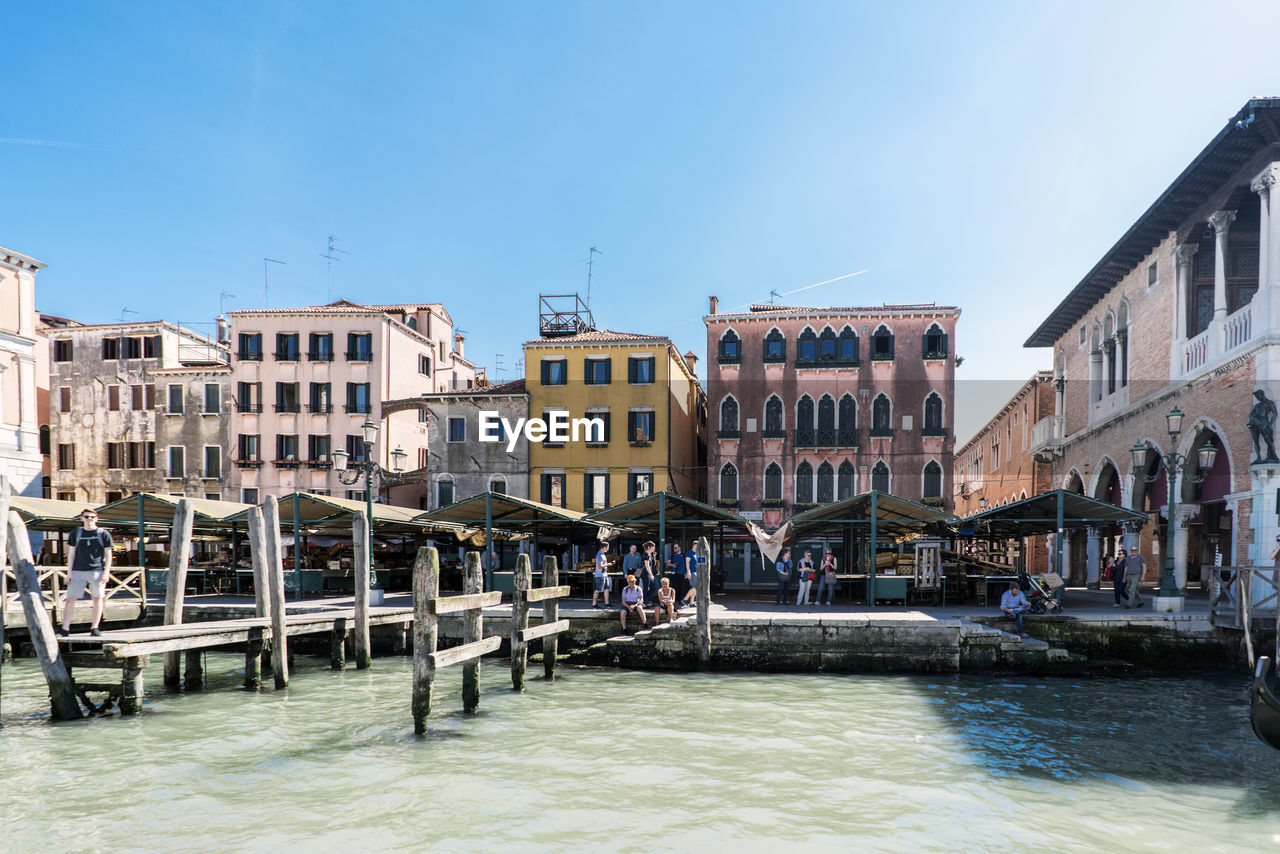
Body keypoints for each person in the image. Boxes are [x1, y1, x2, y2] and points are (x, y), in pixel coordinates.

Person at [59, 509, 114, 638]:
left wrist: (106, 572)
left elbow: (108, 555)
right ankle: (65, 629)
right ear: (81, 518)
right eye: (87, 517)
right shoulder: (75, 533)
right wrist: (69, 573)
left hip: (97, 571)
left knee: (97, 598)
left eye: (92, 517)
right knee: (70, 599)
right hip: (78, 570)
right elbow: (71, 554)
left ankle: (95, 627)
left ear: (96, 518)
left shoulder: (103, 534)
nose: (89, 519)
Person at [638, 540, 659, 607]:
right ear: (649, 547)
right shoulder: (645, 554)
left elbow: (654, 564)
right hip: (646, 574)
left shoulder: (650, 555)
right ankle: (644, 602)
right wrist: (650, 574)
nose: (654, 548)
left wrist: (654, 557)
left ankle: (647, 600)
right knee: (646, 588)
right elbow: (647, 565)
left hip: (650, 574)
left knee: (655, 587)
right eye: (653, 547)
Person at [591, 541, 611, 608]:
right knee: (598, 590)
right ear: (604, 547)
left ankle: (607, 603)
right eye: (607, 547)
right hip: (600, 575)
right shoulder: (599, 555)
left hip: (604, 575)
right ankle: (594, 604)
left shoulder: (603, 555)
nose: (608, 549)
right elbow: (599, 566)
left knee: (606, 589)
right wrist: (608, 564)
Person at [682, 542, 699, 609]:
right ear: (693, 545)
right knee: (695, 587)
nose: (696, 547)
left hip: (696, 572)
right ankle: (685, 599)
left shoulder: (697, 553)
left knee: (694, 588)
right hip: (691, 572)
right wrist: (688, 571)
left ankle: (691, 603)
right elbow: (687, 562)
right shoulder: (690, 553)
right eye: (696, 545)